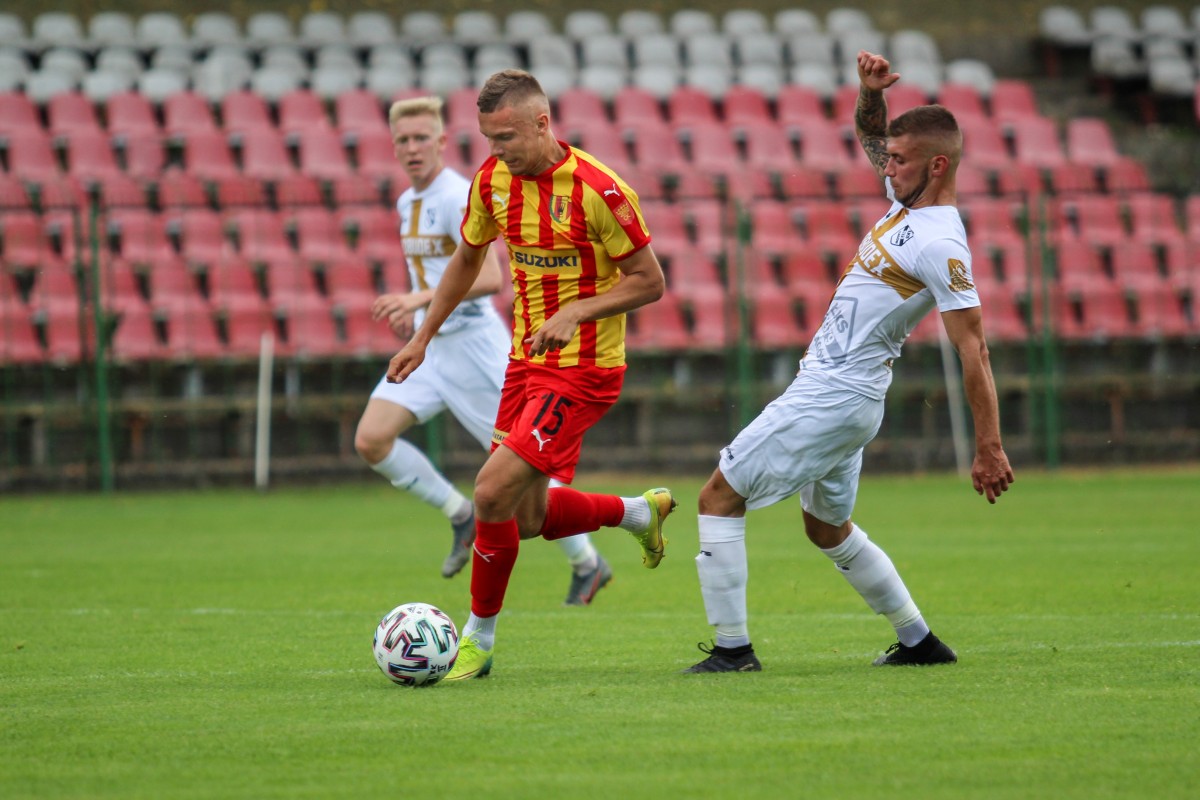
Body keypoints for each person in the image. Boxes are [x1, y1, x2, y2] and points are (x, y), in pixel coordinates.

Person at [682, 50, 1015, 674]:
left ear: (937, 166)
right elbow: (871, 133)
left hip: (834, 396)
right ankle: (920, 642)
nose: (886, 166)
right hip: (844, 396)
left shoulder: (940, 242)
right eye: (889, 158)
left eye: (900, 160)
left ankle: (732, 651)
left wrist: (989, 447)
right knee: (826, 529)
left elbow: (973, 347)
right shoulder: (905, 204)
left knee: (718, 496)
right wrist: (871, 94)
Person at [387, 70, 675, 681]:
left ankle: (477, 641)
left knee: (489, 492)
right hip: (525, 364)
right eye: (488, 138)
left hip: (585, 370)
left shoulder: (600, 190)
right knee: (524, 519)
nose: (497, 150)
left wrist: (577, 311)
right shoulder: (492, 181)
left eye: (508, 137)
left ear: (543, 124)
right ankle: (638, 513)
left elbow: (651, 281)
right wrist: (422, 336)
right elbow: (467, 259)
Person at [355, 96, 616, 606]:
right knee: (371, 439)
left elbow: (491, 277)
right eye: (403, 140)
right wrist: (420, 319)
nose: (412, 148)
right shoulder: (406, 202)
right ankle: (459, 515)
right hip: (433, 352)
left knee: (516, 477)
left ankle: (587, 562)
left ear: (440, 141)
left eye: (421, 138)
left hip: (477, 351)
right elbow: (437, 273)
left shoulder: (458, 194)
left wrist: (415, 298)